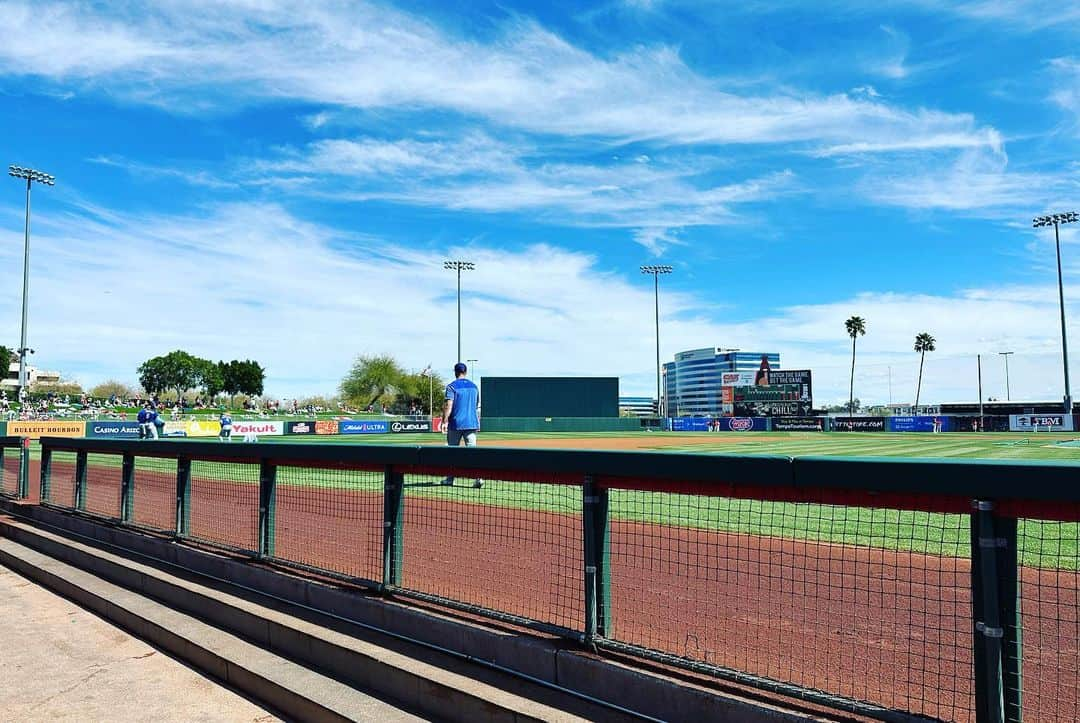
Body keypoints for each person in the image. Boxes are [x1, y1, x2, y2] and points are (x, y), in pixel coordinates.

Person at [441, 362, 482, 488]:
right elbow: (476, 405)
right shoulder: (474, 387)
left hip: (456, 423)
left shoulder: (451, 387)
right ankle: (478, 478)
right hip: (471, 423)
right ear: (466, 372)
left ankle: (450, 479)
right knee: (472, 453)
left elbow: (449, 405)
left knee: (452, 453)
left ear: (455, 372)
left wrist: (444, 421)